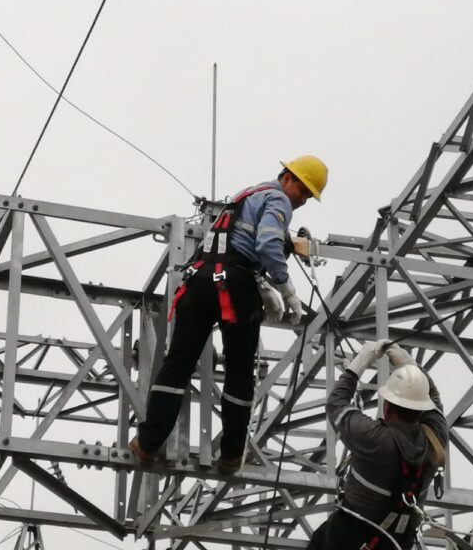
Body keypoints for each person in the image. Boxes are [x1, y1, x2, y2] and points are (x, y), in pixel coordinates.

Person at [130, 155, 328, 472]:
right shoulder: (278, 200)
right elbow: (266, 243)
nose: (301, 200)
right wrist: (284, 285)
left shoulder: (245, 196)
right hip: (234, 287)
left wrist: (261, 280)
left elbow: (233, 244)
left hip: (199, 281)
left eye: (307, 196)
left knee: (178, 363)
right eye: (302, 190)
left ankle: (147, 443)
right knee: (239, 370)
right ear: (287, 177)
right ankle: (232, 455)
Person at [308, 340, 448, 550]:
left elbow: (336, 403)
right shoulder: (435, 439)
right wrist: (408, 365)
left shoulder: (373, 438)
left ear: (387, 405)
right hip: (398, 542)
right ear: (421, 410)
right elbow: (433, 398)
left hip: (349, 537)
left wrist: (361, 361)